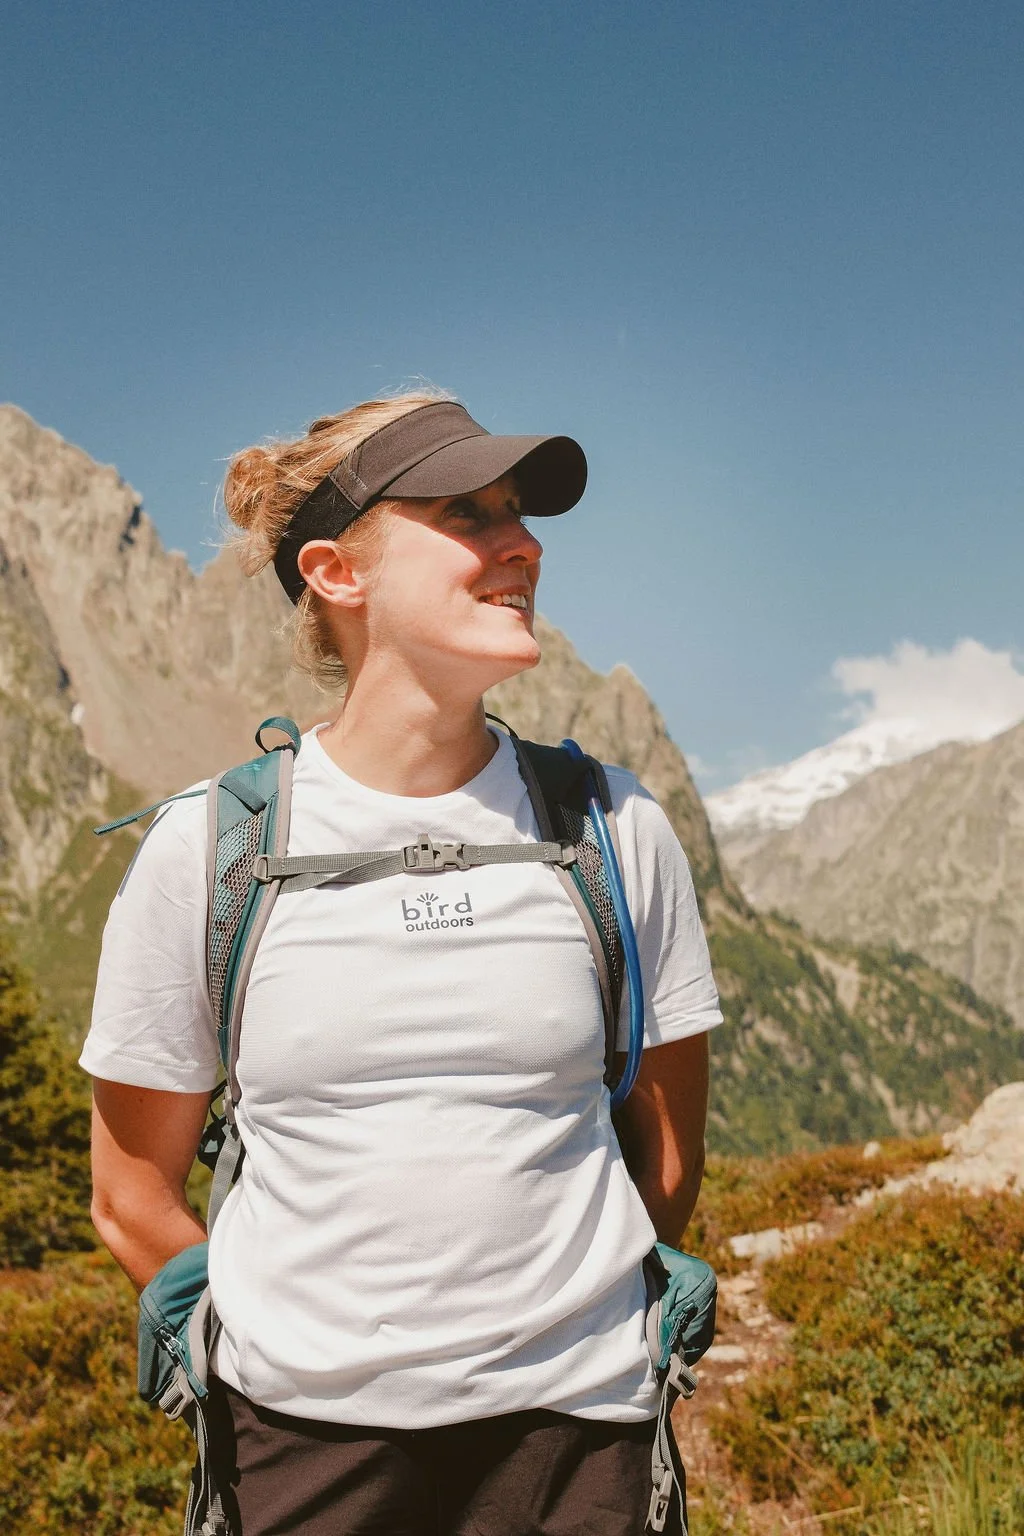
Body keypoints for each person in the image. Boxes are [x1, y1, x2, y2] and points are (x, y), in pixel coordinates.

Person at [81, 391, 723, 1536]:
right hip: (300, 1447)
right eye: (466, 515)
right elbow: (131, 1195)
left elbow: (665, 1157)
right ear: (336, 572)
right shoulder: (210, 852)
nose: (519, 542)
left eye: (518, 514)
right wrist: (264, 1349)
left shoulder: (617, 830)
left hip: (583, 1439)